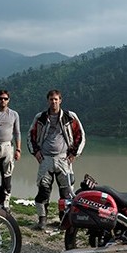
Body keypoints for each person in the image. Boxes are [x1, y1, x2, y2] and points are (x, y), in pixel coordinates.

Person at [27, 89, 85, 230]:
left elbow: (80, 135)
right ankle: (42, 220)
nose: (54, 102)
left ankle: (64, 220)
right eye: (51, 99)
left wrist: (74, 154)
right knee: (43, 191)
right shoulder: (40, 117)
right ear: (48, 101)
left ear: (60, 100)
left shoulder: (70, 117)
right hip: (45, 159)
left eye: (56, 99)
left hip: (63, 159)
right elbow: (31, 135)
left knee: (66, 192)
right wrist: (36, 152)